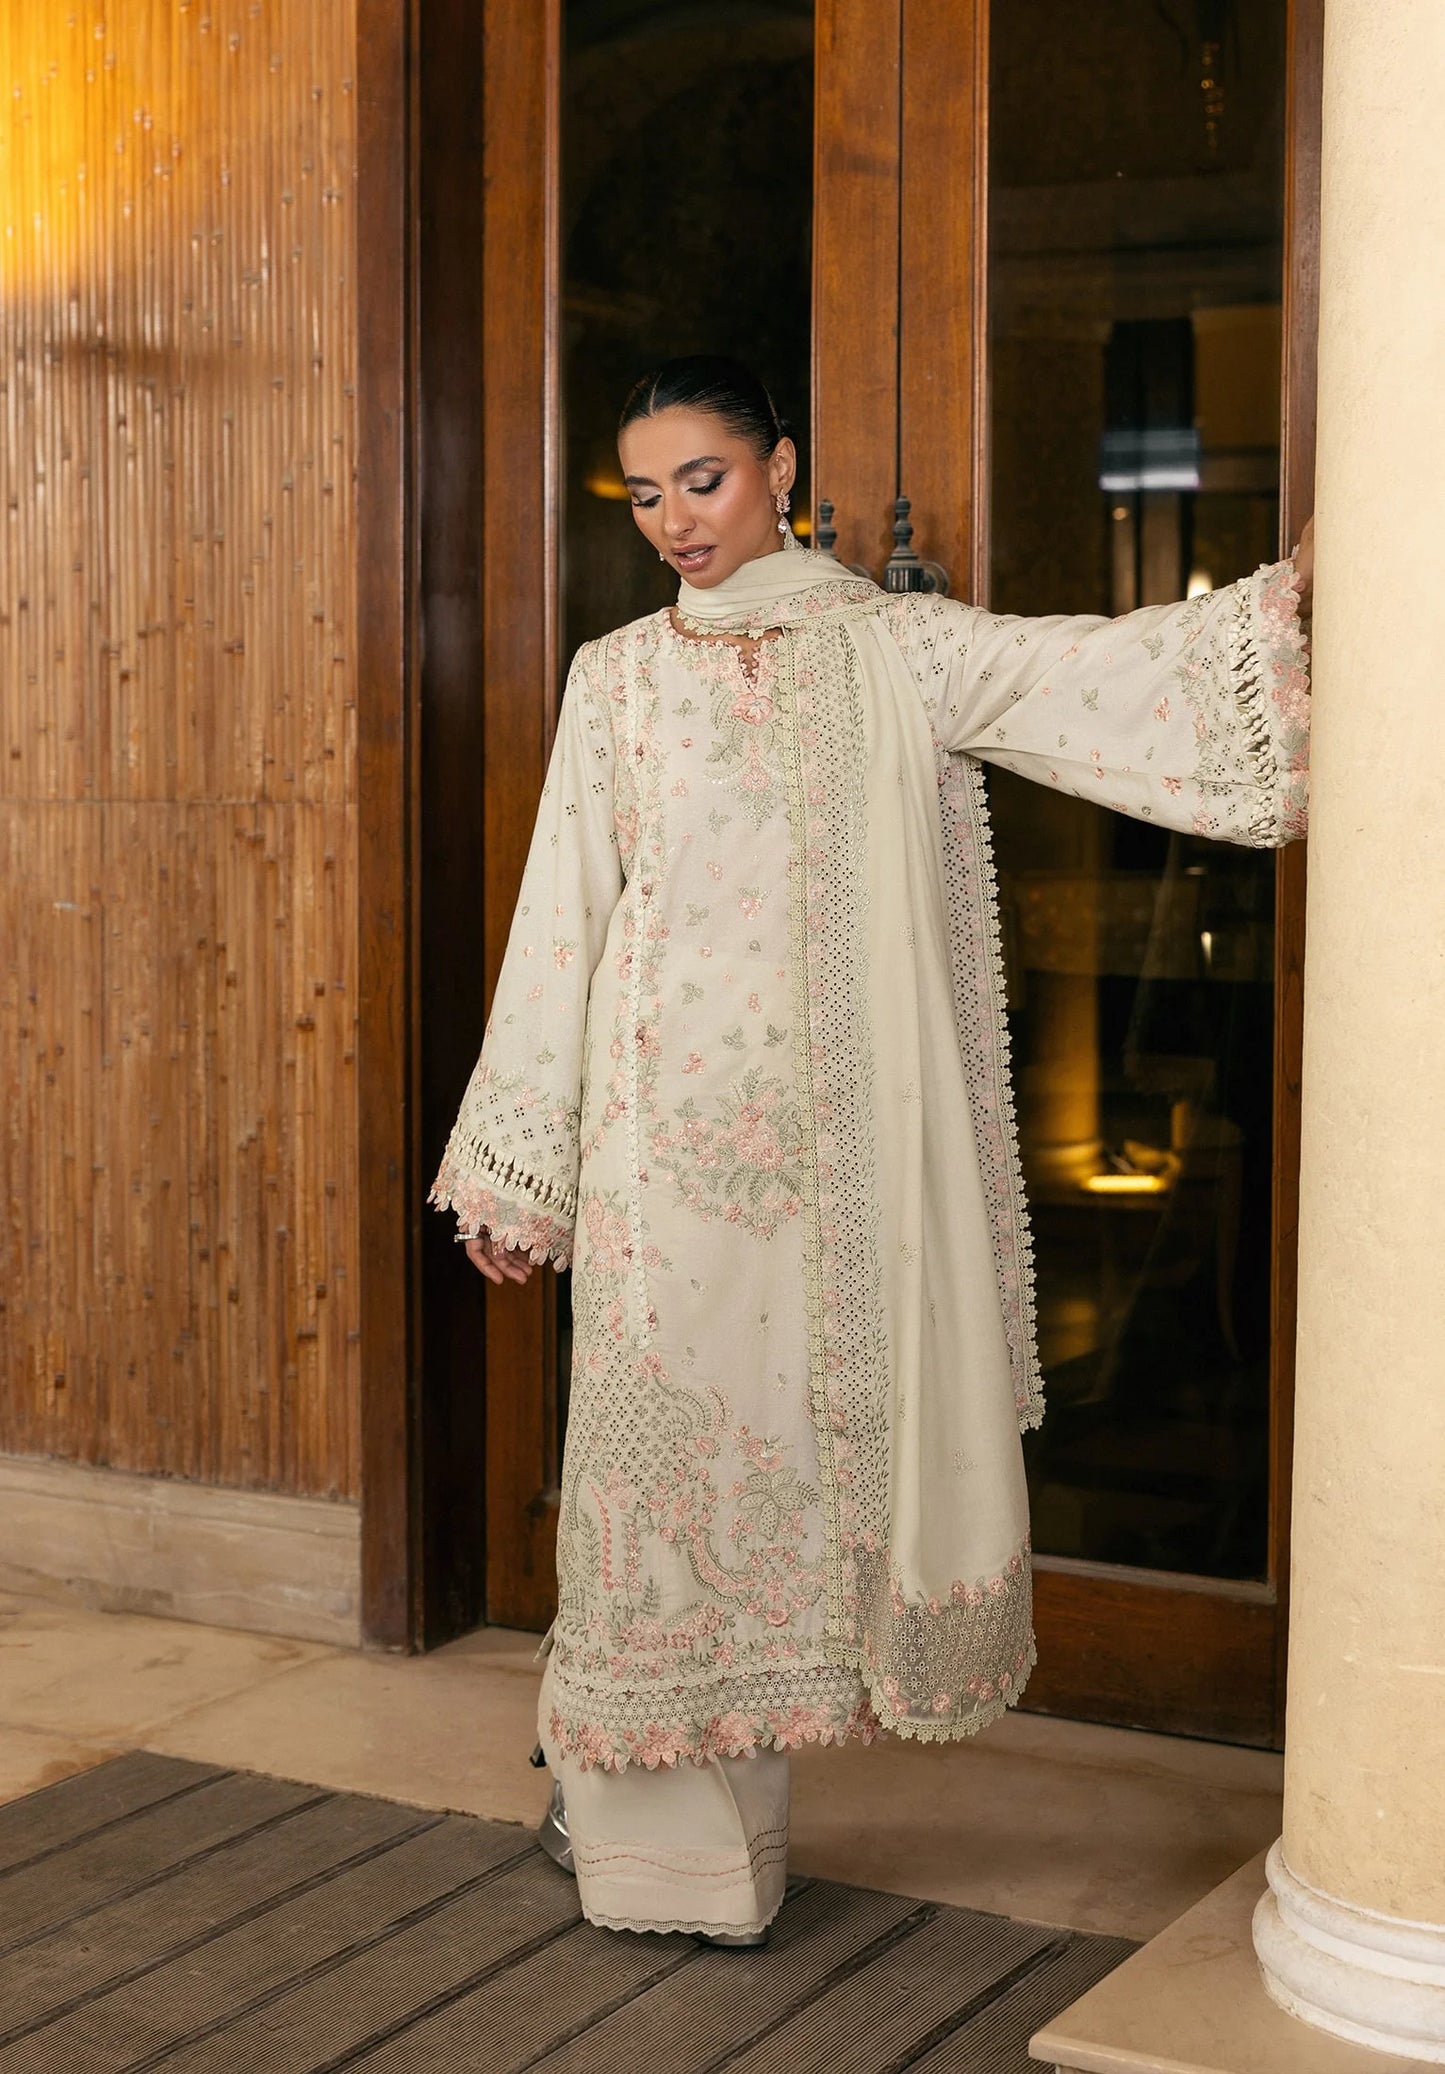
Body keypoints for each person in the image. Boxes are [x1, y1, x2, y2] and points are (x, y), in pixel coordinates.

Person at [431, 356, 1312, 1945]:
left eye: (700, 479)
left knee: (798, 1479)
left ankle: (702, 1824)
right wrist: (521, 1164)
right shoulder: (617, 677)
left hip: (841, 1177)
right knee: (656, 1485)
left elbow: (1089, 677)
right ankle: (660, 1855)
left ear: (779, 468)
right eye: (642, 493)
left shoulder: (897, 652)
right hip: (658, 1165)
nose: (673, 521)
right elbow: (564, 916)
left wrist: (1280, 624)